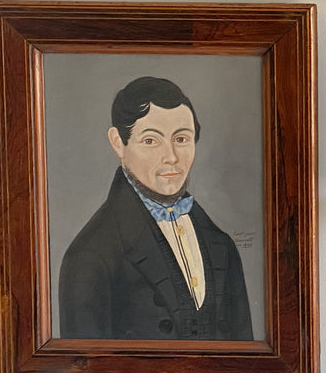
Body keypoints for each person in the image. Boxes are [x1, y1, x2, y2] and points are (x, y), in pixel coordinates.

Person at [59, 76, 253, 340]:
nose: (171, 156)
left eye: (182, 139)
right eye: (151, 141)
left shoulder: (223, 246)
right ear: (118, 143)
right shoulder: (90, 257)